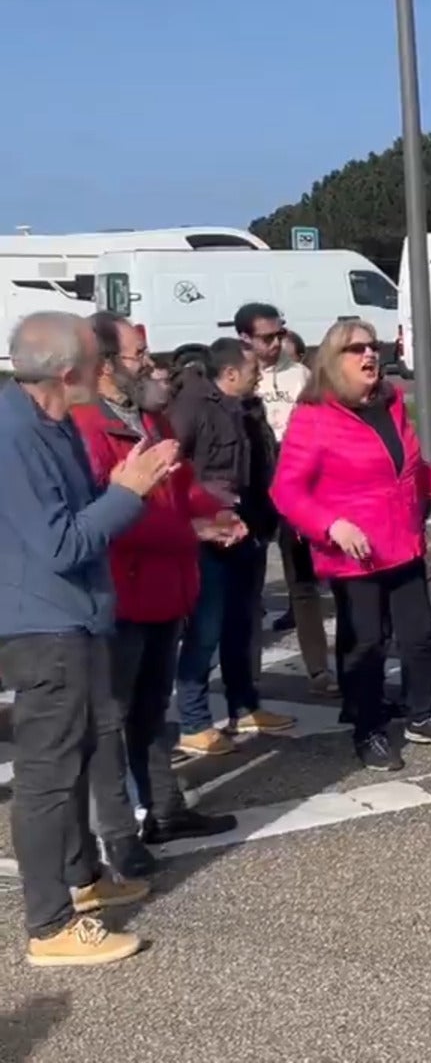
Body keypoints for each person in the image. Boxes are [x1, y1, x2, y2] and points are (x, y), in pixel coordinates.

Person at [0, 310, 178, 966]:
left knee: (73, 759)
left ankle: (83, 880)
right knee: (47, 775)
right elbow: (60, 542)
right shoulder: (14, 434)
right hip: (42, 624)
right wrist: (129, 492)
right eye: (99, 357)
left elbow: (77, 514)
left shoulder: (51, 424)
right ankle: (50, 927)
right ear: (70, 371)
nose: (108, 367)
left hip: (75, 617)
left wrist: (125, 481)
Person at [70, 313, 239, 862]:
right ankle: (117, 834)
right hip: (122, 594)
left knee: (149, 711)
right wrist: (189, 529)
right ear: (102, 365)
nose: (150, 363)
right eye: (137, 355)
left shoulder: (147, 421)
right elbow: (104, 514)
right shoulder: (88, 429)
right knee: (112, 718)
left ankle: (165, 810)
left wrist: (212, 511)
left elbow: (178, 487)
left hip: (163, 587)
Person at [272, 319, 431, 770]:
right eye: (356, 348)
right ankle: (369, 728)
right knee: (366, 645)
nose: (369, 355)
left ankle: (422, 713)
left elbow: (407, 464)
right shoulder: (314, 415)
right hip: (354, 553)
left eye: (373, 346)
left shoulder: (391, 401)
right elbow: (286, 491)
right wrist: (331, 525)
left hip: (403, 542)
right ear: (333, 360)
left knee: (419, 637)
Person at [167, 337, 295, 756]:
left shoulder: (248, 408)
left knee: (242, 626)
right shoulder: (194, 407)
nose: (260, 375)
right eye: (253, 369)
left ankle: (245, 705)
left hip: (249, 530)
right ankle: (194, 721)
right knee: (205, 630)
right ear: (231, 373)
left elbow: (263, 465)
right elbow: (173, 467)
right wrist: (203, 516)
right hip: (211, 535)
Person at [240, 304, 335, 693]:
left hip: (296, 479)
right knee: (249, 585)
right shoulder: (238, 374)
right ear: (245, 338)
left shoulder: (300, 375)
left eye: (280, 335)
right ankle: (247, 679)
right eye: (267, 337)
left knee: (303, 581)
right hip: (253, 484)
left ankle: (319, 671)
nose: (276, 343)